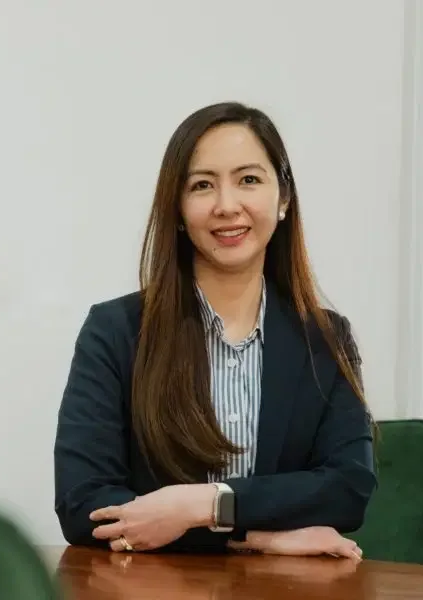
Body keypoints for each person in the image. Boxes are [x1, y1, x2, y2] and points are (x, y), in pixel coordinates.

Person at [53, 102, 377, 559]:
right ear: (180, 211)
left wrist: (202, 504)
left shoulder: (326, 338)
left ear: (283, 199)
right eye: (202, 185)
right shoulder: (114, 332)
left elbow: (348, 487)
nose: (227, 206)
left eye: (248, 180)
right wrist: (260, 538)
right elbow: (83, 505)